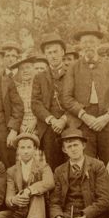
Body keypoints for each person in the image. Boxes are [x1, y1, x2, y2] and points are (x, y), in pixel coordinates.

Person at [62, 24, 109, 164]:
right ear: (80, 45)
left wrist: (107, 117)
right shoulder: (73, 67)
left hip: (106, 121)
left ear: (98, 43)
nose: (88, 45)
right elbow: (67, 98)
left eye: (92, 41)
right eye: (85, 42)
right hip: (83, 122)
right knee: (86, 164)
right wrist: (84, 116)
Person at [32, 32, 69, 170]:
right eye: (49, 52)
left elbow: (78, 100)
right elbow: (35, 103)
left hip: (69, 124)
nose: (53, 55)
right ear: (45, 55)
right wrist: (52, 120)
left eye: (55, 52)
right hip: (48, 126)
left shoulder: (73, 73)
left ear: (63, 52)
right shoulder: (39, 77)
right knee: (52, 166)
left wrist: (63, 120)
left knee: (71, 162)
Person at [12, 54, 38, 134]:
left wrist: (34, 122)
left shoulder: (39, 87)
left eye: (28, 67)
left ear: (33, 69)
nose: (25, 71)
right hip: (20, 126)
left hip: (38, 124)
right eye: (22, 69)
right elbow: (14, 111)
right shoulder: (16, 88)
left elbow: (46, 107)